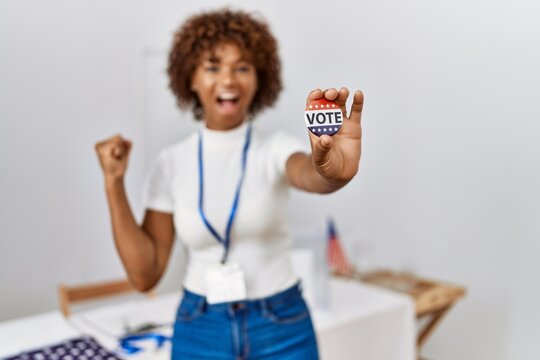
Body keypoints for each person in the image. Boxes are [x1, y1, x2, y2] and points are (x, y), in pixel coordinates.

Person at [94, 8, 364, 360]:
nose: (229, 80)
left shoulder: (275, 148)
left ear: (259, 79)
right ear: (189, 77)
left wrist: (332, 173)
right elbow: (145, 276)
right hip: (201, 327)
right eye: (212, 67)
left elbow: (308, 173)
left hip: (281, 325)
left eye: (243, 67)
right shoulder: (171, 163)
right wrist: (113, 183)